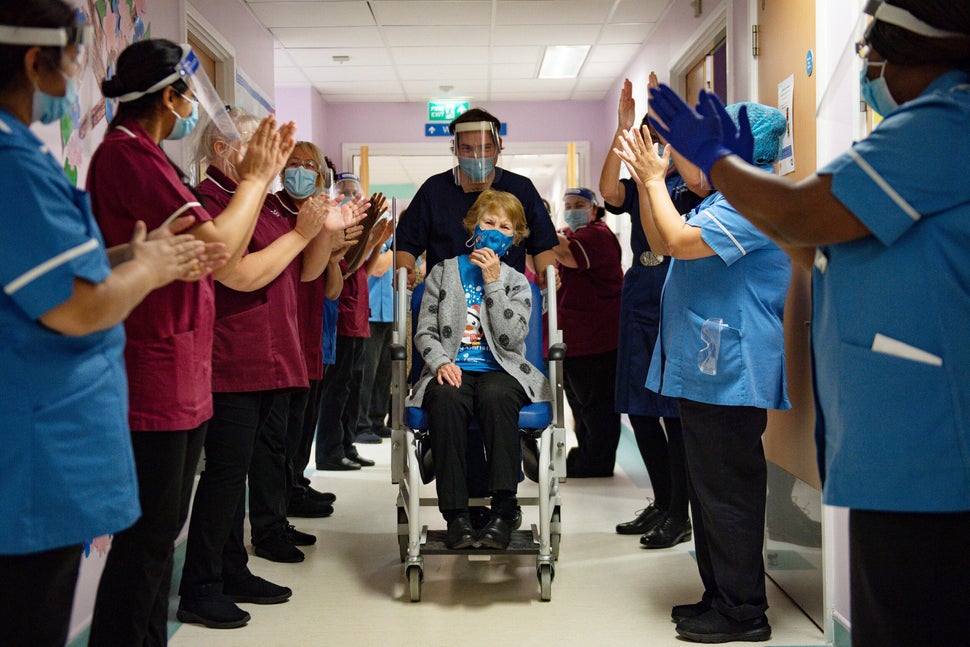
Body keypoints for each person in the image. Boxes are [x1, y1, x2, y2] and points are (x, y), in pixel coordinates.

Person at [646, 2, 970, 644]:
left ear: (925, 51)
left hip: (928, 444)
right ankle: (725, 598)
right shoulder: (929, 130)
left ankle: (738, 607)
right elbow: (814, 246)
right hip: (900, 440)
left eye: (876, 53)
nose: (870, 68)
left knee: (911, 613)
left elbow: (796, 218)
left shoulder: (942, 123)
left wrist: (717, 160)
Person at [0, 7, 211, 645]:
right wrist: (147, 267)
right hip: (38, 451)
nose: (74, 78)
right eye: (69, 61)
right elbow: (78, 306)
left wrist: (125, 259)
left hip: (48, 441)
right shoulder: (14, 164)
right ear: (35, 60)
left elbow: (54, 274)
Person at [86, 38, 293, 646]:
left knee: (157, 539)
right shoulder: (127, 158)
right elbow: (219, 251)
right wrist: (255, 179)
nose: (193, 110)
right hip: (153, 374)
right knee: (147, 544)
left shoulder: (150, 156)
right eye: (187, 98)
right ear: (170, 98)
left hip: (180, 371)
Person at [176, 110, 363, 627]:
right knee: (224, 478)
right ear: (221, 152)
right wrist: (304, 234)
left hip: (270, 359)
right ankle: (200, 586)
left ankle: (231, 569)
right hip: (232, 361)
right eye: (259, 146)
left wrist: (323, 230)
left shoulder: (261, 203)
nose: (274, 159)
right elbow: (237, 276)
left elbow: (305, 269)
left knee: (243, 473)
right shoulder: (214, 202)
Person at [615, 99, 791, 643]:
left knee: (727, 494)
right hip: (707, 370)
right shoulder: (717, 201)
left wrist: (651, 176)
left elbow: (675, 242)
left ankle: (744, 611)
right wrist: (650, 184)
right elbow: (658, 236)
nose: (678, 155)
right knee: (708, 492)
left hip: (732, 376)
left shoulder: (750, 202)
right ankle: (719, 596)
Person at [407, 189, 553, 550]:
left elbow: (509, 337)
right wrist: (441, 361)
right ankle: (456, 516)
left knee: (496, 395)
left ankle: (503, 510)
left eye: (505, 227)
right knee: (445, 397)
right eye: (489, 222)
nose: (495, 230)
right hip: (451, 367)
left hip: (503, 368)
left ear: (514, 238)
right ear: (473, 226)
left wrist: (493, 281)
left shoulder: (518, 282)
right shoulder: (443, 272)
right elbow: (424, 330)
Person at [600, 76, 705, 546]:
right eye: (647, 133)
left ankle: (679, 512)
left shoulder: (692, 181)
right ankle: (662, 502)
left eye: (660, 133)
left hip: (673, 287)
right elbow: (607, 192)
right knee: (638, 407)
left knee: (671, 410)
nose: (653, 141)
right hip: (640, 288)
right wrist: (622, 129)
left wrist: (673, 126)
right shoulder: (642, 181)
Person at [395, 107, 560, 287]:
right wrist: (405, 271)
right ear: (455, 148)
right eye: (466, 148)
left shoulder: (521, 189)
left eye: (485, 148)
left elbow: (542, 244)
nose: (476, 157)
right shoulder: (434, 190)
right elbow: (406, 243)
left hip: (504, 296)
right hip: (445, 295)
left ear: (499, 145)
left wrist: (547, 276)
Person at [274, 142, 341, 527]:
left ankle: (295, 484)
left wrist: (333, 246)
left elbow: (327, 281)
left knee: (301, 423)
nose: (300, 171)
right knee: (281, 431)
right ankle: (282, 500)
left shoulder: (320, 214)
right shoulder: (274, 212)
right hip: (286, 331)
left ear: (320, 176)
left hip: (312, 329)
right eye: (293, 164)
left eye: (309, 166)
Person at [315, 177, 392, 471]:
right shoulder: (336, 230)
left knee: (352, 387)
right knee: (337, 390)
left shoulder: (360, 231)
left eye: (353, 192)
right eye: (343, 192)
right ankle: (330, 451)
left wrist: (375, 243)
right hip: (342, 321)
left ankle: (347, 444)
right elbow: (345, 270)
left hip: (359, 319)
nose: (349, 197)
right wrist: (370, 241)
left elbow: (366, 270)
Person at [551, 188, 623, 478]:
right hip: (576, 338)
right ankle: (586, 455)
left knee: (597, 406)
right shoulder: (570, 234)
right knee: (581, 405)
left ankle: (598, 462)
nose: (573, 209)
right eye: (568, 205)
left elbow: (568, 255)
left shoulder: (598, 235)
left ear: (594, 209)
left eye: (579, 205)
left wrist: (533, 225)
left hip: (598, 338)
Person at [356, 232, 395, 442]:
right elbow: (379, 267)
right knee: (367, 371)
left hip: (390, 311)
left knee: (384, 372)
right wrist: (396, 249)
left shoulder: (389, 242)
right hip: (371, 310)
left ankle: (377, 420)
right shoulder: (373, 237)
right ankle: (361, 424)